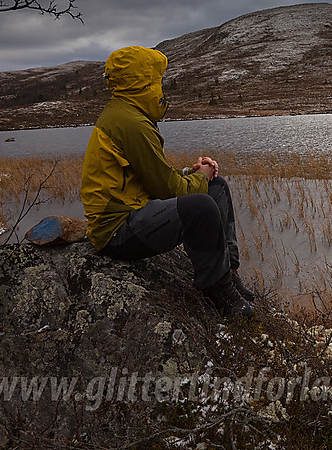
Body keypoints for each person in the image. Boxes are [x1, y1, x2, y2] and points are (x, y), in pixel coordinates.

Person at [80, 45, 254, 318]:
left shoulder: (128, 114)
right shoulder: (130, 123)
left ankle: (228, 272)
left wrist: (191, 172)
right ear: (143, 80)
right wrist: (201, 176)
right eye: (157, 79)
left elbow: (149, 178)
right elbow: (165, 188)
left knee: (217, 188)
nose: (161, 85)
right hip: (116, 231)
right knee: (202, 206)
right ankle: (218, 290)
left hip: (134, 210)